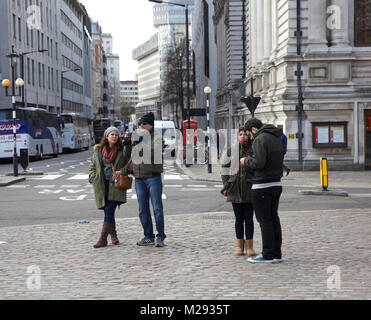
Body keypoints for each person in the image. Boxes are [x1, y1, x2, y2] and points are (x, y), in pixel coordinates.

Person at [240, 118, 284, 264]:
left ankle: (267, 254)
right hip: (276, 183)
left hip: (262, 184)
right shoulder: (276, 137)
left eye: (249, 134)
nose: (250, 138)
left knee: (264, 220)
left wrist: (245, 161)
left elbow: (259, 162)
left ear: (253, 129)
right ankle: (276, 253)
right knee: (273, 219)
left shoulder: (260, 139)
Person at [89, 127, 132, 248]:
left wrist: (128, 143)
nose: (114, 137)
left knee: (109, 210)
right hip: (102, 185)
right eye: (112, 134)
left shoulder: (121, 150)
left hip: (116, 185)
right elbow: (92, 166)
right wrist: (93, 177)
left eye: (116, 135)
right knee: (108, 212)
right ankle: (114, 235)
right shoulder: (98, 151)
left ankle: (103, 239)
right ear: (106, 136)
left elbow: (128, 159)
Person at [131, 112, 166, 247]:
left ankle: (161, 236)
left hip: (153, 176)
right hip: (139, 177)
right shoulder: (137, 136)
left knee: (157, 208)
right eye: (140, 124)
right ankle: (148, 236)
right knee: (142, 209)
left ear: (151, 125)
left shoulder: (158, 137)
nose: (141, 126)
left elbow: (154, 152)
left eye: (143, 123)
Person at [221, 127, 257, 257]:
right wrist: (227, 184)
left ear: (249, 136)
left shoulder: (254, 150)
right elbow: (224, 168)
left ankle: (250, 247)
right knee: (238, 219)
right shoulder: (232, 150)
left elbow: (257, 166)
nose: (243, 136)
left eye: (245, 134)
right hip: (234, 189)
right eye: (240, 134)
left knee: (249, 219)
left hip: (249, 189)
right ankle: (239, 246)